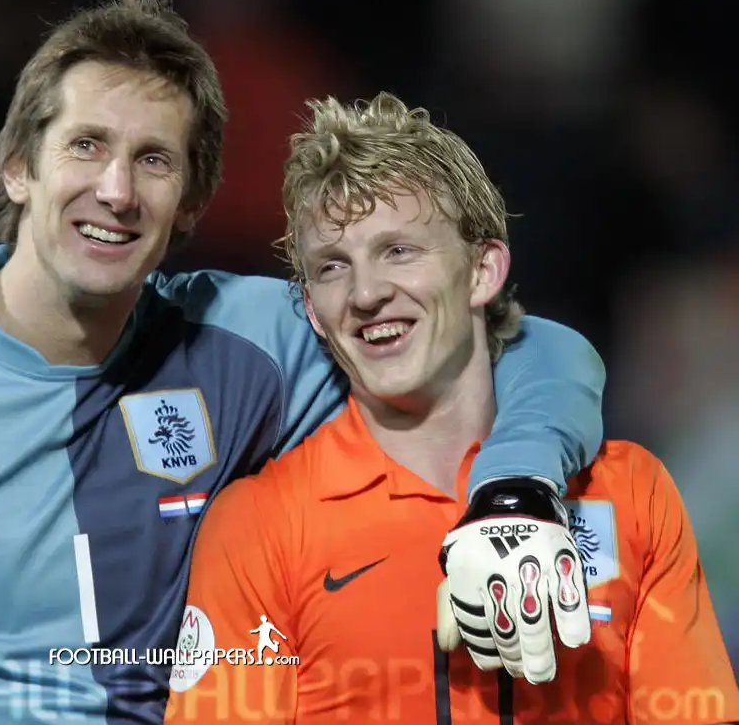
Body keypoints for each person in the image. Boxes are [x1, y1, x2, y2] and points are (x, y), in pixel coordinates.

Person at [0, 0, 607, 725]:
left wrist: (516, 488)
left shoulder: (237, 347)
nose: (117, 190)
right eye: (87, 145)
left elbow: (525, 344)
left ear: (191, 203)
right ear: (18, 167)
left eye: (154, 161)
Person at [163, 92, 739, 724]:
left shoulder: (632, 493)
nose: (366, 292)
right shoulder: (259, 525)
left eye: (399, 251)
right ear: (313, 314)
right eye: (332, 267)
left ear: (483, 271)